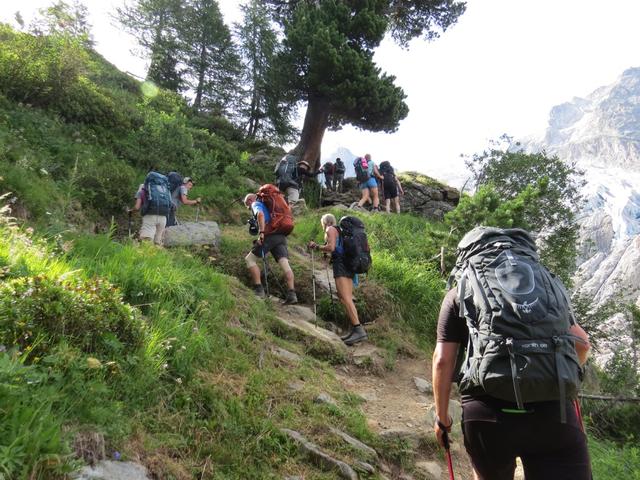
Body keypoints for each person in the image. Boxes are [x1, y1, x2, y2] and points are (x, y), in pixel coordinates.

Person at [432, 233, 592, 479]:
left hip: (486, 415)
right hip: (553, 414)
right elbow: (582, 344)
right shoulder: (547, 291)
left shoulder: (459, 293)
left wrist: (442, 419)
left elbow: (443, 360)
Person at [308, 213, 367, 346]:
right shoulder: (340, 231)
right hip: (349, 265)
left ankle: (358, 330)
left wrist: (316, 247)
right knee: (344, 297)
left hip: (341, 265)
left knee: (345, 298)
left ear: (324, 222)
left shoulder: (330, 229)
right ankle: (355, 330)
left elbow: (331, 248)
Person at [244, 193, 298, 304]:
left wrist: (262, 233)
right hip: (281, 236)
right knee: (284, 263)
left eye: (247, 205)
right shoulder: (270, 206)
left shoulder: (256, 204)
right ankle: (292, 294)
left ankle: (259, 290)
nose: (248, 208)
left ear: (250, 200)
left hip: (270, 235)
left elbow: (260, 215)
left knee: (249, 260)